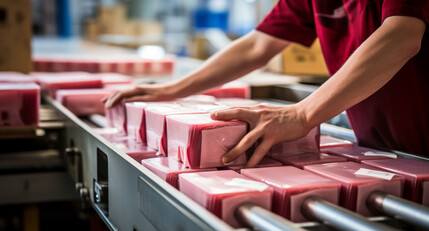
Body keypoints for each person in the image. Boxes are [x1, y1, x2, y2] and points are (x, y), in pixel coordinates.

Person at [105, 0, 429, 167]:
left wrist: (301, 115)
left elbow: (401, 35)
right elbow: (258, 46)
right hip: (385, 153)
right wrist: (174, 89)